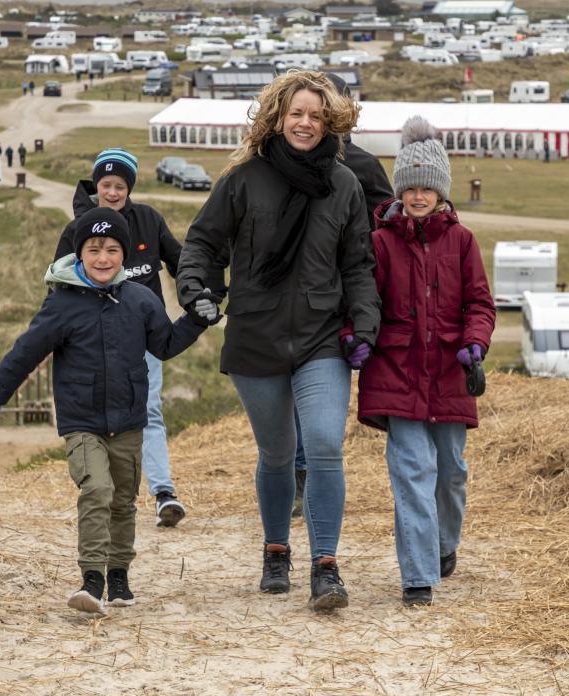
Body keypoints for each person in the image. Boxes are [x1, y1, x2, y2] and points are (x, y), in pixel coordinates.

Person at [175, 70, 380, 612]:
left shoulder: (345, 185)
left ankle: (326, 567)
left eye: (315, 114)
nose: (305, 123)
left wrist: (364, 325)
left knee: (324, 447)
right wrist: (196, 289)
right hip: (256, 335)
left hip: (320, 340)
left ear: (329, 119)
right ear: (278, 117)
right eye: (296, 113)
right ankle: (276, 551)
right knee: (276, 454)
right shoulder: (244, 180)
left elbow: (359, 265)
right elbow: (202, 242)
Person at [0, 208, 209, 615]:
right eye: (93, 249)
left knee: (123, 500)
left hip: (129, 421)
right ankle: (91, 579)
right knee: (97, 491)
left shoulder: (140, 299)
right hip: (82, 421)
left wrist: (196, 320)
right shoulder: (62, 303)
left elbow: (165, 346)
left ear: (124, 254)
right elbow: (27, 349)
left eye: (111, 250)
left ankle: (119, 575)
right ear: (79, 253)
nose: (103, 258)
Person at [358, 116, 495, 607]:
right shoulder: (380, 242)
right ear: (400, 190)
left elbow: (480, 303)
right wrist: (355, 337)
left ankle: (443, 546)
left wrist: (475, 343)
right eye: (410, 187)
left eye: (426, 188)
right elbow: (363, 303)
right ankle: (417, 575)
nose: (417, 196)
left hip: (449, 374)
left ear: (441, 192)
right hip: (396, 373)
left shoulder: (462, 242)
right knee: (412, 470)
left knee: (451, 470)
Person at [54, 148, 190, 528]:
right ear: (96, 185)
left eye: (120, 186)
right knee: (100, 419)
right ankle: (106, 492)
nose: (112, 192)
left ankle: (164, 493)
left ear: (130, 187)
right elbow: (57, 286)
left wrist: (200, 296)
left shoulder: (148, 220)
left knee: (148, 410)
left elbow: (181, 264)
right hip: (92, 341)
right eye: (105, 185)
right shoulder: (77, 229)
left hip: (144, 339)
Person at [286, 74, 396, 519]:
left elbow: (386, 230)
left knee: (319, 401)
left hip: (341, 301)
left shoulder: (363, 166)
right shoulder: (284, 161)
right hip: (290, 300)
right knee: (292, 397)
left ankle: (312, 473)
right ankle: (298, 476)